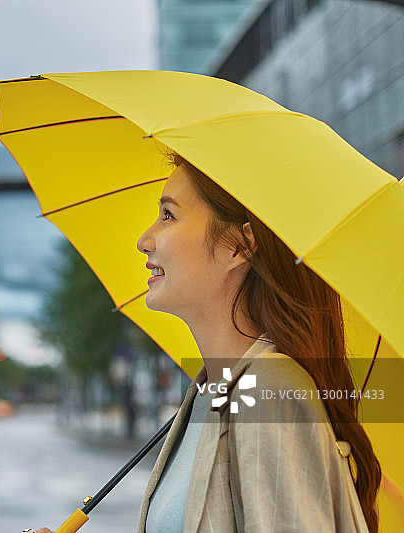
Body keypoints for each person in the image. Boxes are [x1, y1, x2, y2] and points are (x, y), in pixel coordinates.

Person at [25, 153, 380, 533]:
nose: (144, 241)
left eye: (168, 215)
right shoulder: (209, 392)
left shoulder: (266, 390)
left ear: (237, 247)